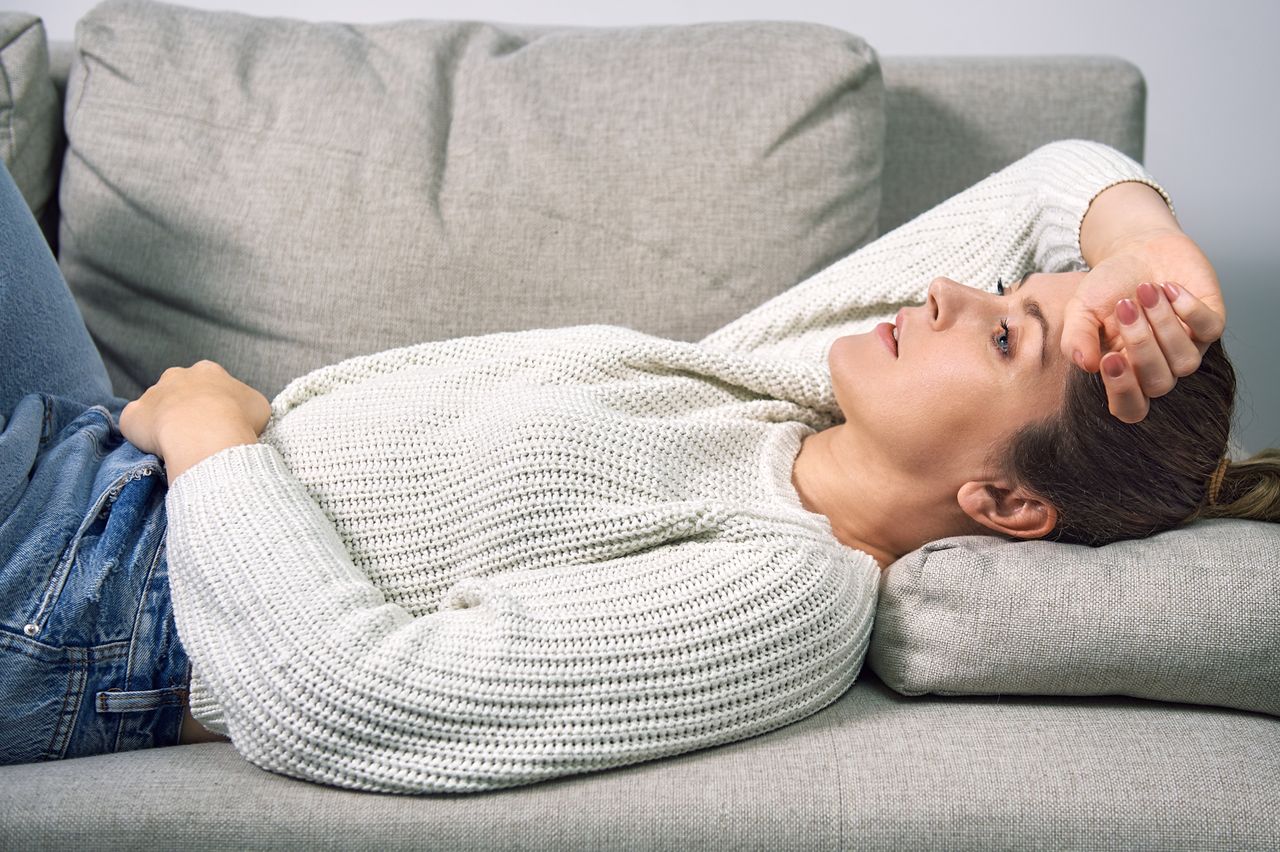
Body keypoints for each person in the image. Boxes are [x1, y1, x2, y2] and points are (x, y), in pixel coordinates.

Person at [1, 140, 1276, 792]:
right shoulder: (785, 396)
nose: (943, 289)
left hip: (92, 595)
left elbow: (347, 700)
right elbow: (1061, 178)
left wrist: (214, 441)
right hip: (103, 453)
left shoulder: (785, 594)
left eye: (1005, 333)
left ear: (999, 501)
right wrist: (1143, 259)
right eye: (1002, 292)